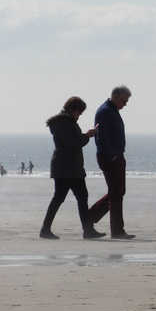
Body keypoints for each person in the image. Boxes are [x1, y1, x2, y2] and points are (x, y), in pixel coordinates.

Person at [39, 96, 106, 240]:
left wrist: (85, 136)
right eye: (79, 111)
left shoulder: (65, 122)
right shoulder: (64, 122)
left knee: (77, 197)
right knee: (65, 197)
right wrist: (86, 136)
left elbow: (70, 140)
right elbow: (70, 143)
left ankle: (87, 230)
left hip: (69, 167)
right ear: (71, 109)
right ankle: (47, 229)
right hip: (67, 167)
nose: (79, 114)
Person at [89, 85, 135, 240]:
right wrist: (113, 157)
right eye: (124, 101)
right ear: (116, 97)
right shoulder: (104, 112)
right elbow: (101, 138)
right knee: (116, 193)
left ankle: (90, 216)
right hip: (110, 157)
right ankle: (117, 231)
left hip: (115, 156)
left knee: (118, 192)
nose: (125, 104)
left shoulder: (112, 110)